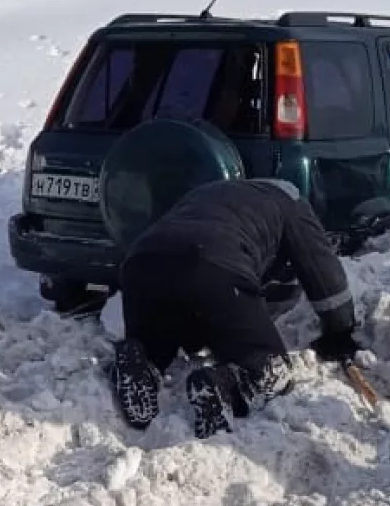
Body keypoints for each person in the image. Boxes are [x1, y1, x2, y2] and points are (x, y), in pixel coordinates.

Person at [108, 178, 362, 439]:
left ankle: (142, 360)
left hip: (141, 263)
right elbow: (323, 273)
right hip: (209, 261)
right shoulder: (292, 204)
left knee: (164, 329)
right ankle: (226, 385)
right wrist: (340, 329)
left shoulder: (210, 191)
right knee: (272, 371)